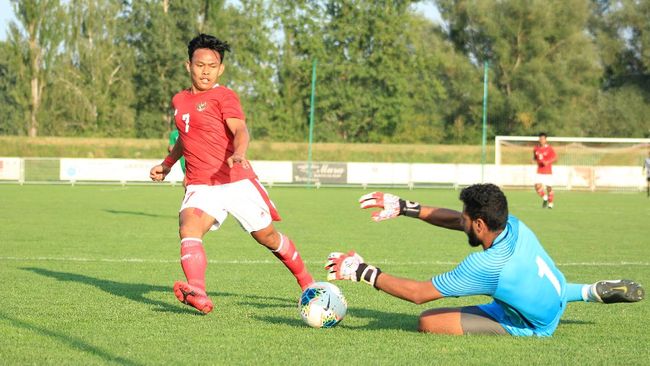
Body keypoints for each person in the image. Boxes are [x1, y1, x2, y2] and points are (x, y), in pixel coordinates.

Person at [325, 184, 644, 336]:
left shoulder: (485, 267)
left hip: (534, 323)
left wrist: (363, 271)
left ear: (479, 224)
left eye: (466, 217)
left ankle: (546, 313)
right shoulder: (514, 225)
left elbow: (418, 294)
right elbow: (458, 222)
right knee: (545, 288)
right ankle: (589, 291)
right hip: (555, 289)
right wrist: (407, 207)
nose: (460, 220)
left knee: (428, 321)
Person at [150, 34, 314, 314]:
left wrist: (240, 152)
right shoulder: (179, 100)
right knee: (188, 227)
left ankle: (308, 283)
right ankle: (198, 291)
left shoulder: (224, 96)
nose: (205, 71)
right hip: (202, 184)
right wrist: (167, 164)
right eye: (200, 65)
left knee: (268, 237)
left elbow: (240, 129)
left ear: (220, 69)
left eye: (212, 66)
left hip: (235, 181)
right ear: (188, 65)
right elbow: (185, 137)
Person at [533, 132, 557, 208]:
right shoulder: (536, 148)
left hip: (548, 171)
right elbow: (535, 157)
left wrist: (548, 162)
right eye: (540, 138)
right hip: (539, 170)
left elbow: (555, 158)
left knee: (549, 187)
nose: (542, 140)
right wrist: (533, 160)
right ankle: (545, 197)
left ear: (546, 139)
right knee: (537, 186)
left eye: (543, 138)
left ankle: (550, 203)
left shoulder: (549, 148)